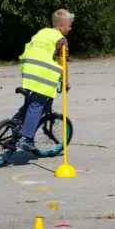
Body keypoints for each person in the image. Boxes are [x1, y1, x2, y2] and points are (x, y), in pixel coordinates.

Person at [16, 9, 74, 152]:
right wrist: (66, 82)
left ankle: (14, 127)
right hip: (41, 75)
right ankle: (26, 139)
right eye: (69, 25)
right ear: (61, 26)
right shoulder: (61, 40)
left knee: (29, 104)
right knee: (37, 104)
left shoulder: (42, 32)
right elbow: (63, 64)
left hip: (28, 70)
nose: (71, 28)